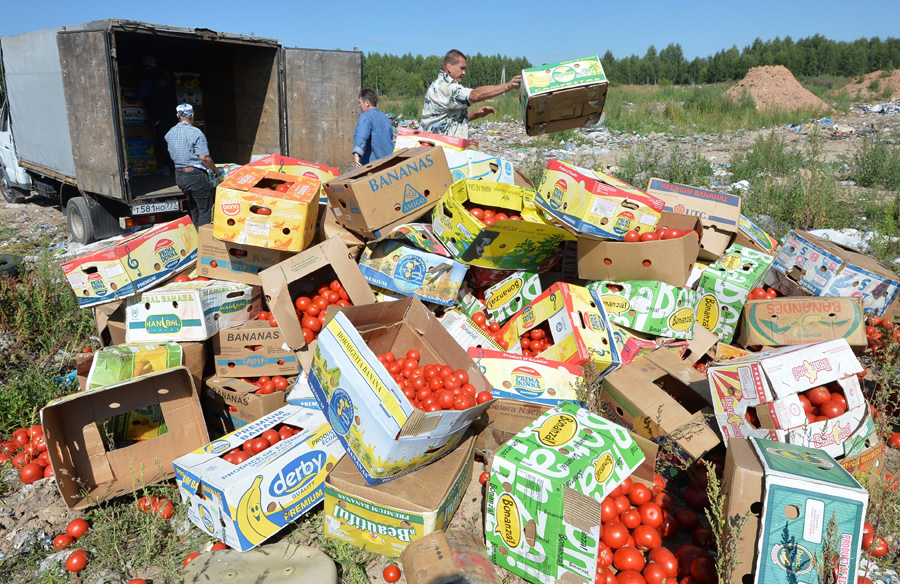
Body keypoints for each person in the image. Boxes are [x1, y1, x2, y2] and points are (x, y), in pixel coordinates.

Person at [420, 50, 521, 139]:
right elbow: (474, 95)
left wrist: (477, 114)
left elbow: (453, 117)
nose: (464, 73)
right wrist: (507, 86)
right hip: (439, 149)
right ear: (449, 67)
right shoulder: (445, 88)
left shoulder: (439, 85)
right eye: (462, 68)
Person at [165, 104, 217, 226]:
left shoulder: (170, 133)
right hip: (195, 176)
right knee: (205, 211)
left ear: (177, 115)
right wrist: (214, 169)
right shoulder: (196, 133)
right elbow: (204, 157)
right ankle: (203, 242)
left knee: (194, 209)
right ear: (193, 115)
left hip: (180, 176)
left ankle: (196, 239)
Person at [134, 56, 177, 173]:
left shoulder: (149, 77)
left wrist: (131, 95)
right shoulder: (164, 77)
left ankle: (165, 167)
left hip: (160, 113)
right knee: (171, 139)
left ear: (147, 67)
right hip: (172, 113)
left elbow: (141, 94)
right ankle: (173, 167)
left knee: (162, 139)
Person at [352, 88, 394, 167]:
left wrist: (357, 153)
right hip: (388, 163)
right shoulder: (385, 117)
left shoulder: (365, 117)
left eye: (360, 102)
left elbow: (362, 135)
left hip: (372, 166)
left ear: (367, 102)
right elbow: (390, 137)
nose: (359, 105)